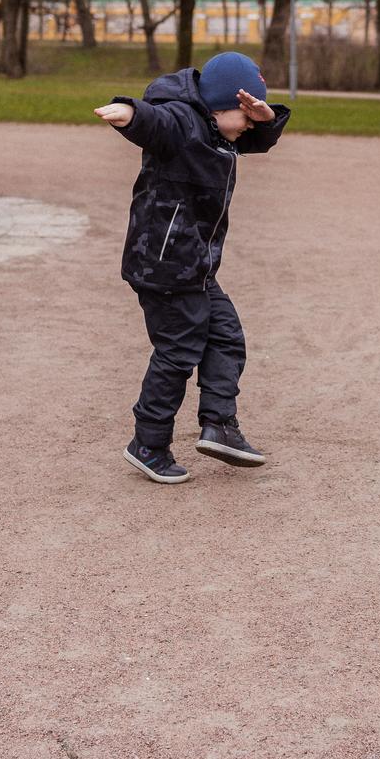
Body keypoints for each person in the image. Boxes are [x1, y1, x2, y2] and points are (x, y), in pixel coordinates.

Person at [93, 52, 291, 484]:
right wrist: (129, 113)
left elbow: (254, 138)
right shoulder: (183, 124)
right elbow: (155, 123)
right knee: (178, 351)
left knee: (226, 335)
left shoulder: (218, 129)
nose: (249, 128)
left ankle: (219, 424)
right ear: (222, 104)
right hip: (164, 266)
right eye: (246, 117)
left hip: (195, 267)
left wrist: (265, 115)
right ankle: (148, 444)